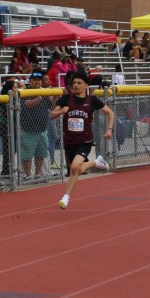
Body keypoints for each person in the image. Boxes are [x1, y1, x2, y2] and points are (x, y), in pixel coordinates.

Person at [50, 71, 114, 210]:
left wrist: (109, 129)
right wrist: (61, 112)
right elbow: (52, 115)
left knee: (74, 167)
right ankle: (96, 162)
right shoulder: (66, 99)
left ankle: (66, 197)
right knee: (76, 170)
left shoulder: (92, 100)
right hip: (69, 141)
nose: (76, 85)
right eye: (74, 83)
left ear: (86, 85)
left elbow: (110, 112)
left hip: (85, 141)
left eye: (79, 83)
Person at [20, 71, 52, 179]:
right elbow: (28, 104)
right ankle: (27, 175)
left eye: (39, 80)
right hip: (28, 130)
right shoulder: (25, 92)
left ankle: (38, 174)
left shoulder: (44, 94)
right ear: (30, 82)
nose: (37, 82)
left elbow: (52, 106)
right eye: (35, 80)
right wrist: (40, 97)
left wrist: (54, 96)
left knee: (41, 154)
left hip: (42, 130)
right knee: (27, 155)